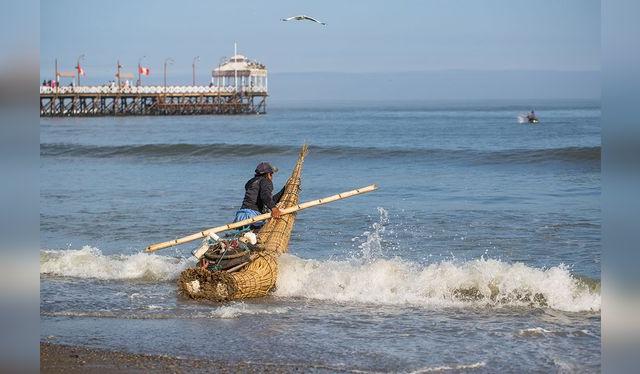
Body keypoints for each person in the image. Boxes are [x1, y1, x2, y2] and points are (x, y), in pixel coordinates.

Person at [234, 162, 285, 229]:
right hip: (252, 216)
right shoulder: (266, 181)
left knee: (244, 237)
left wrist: (283, 191)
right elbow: (265, 196)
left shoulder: (250, 182)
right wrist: (274, 209)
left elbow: (266, 199)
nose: (272, 177)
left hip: (240, 216)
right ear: (268, 174)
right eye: (272, 174)